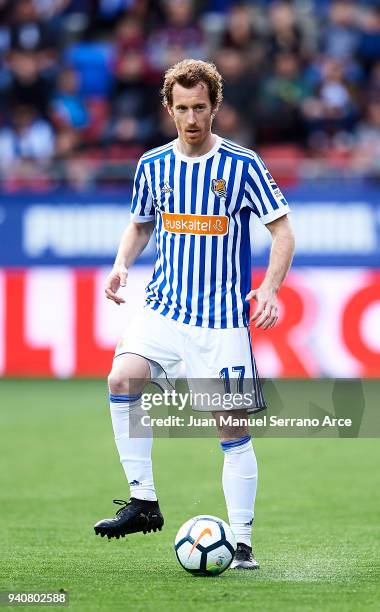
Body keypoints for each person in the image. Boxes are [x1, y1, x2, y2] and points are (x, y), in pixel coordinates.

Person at [94, 59, 295, 570]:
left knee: (230, 429)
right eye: (181, 108)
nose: (190, 118)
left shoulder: (242, 165)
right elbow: (140, 225)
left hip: (221, 321)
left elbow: (282, 231)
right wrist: (120, 266)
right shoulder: (153, 165)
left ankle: (243, 544)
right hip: (163, 309)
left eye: (199, 107)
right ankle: (143, 502)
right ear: (168, 108)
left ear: (215, 107)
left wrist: (269, 289)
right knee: (122, 378)